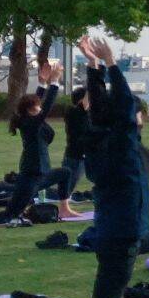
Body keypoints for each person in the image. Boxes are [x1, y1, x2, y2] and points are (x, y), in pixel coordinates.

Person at [9, 38, 149, 298]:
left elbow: (99, 104)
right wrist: (110, 63)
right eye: (137, 114)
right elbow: (121, 104)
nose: (140, 118)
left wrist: (93, 67)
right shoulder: (121, 146)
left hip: (129, 231)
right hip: (120, 241)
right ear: (126, 120)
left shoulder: (98, 136)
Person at [4, 60, 71, 221]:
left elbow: (37, 101)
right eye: (36, 107)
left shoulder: (30, 118)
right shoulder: (29, 123)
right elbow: (46, 106)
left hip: (42, 173)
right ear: (29, 111)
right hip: (32, 175)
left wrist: (41, 82)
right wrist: (54, 82)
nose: (40, 108)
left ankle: (64, 208)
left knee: (66, 173)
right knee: (11, 213)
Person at [56, 84, 91, 219]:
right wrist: (93, 79)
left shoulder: (82, 114)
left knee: (69, 183)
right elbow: (86, 103)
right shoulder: (75, 112)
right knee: (68, 184)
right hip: (75, 155)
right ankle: (63, 210)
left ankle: (64, 208)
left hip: (80, 154)